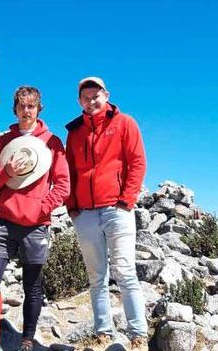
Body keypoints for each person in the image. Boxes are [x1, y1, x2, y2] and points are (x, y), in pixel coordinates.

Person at [0, 86, 70, 351]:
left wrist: (43, 208)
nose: (26, 111)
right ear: (15, 109)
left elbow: (63, 185)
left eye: (31, 106)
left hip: (36, 225)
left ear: (38, 109)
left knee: (32, 285)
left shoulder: (52, 142)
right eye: (22, 106)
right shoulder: (3, 142)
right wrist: (5, 172)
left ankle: (27, 340)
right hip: (5, 221)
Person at [64, 77, 148, 349]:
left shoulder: (125, 123)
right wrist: (72, 206)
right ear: (79, 101)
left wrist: (127, 199)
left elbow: (137, 162)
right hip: (85, 213)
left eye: (96, 94)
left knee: (125, 271)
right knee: (96, 276)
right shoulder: (75, 132)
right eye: (86, 96)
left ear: (106, 95)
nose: (92, 100)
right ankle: (103, 332)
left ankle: (138, 335)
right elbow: (70, 171)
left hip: (117, 208)